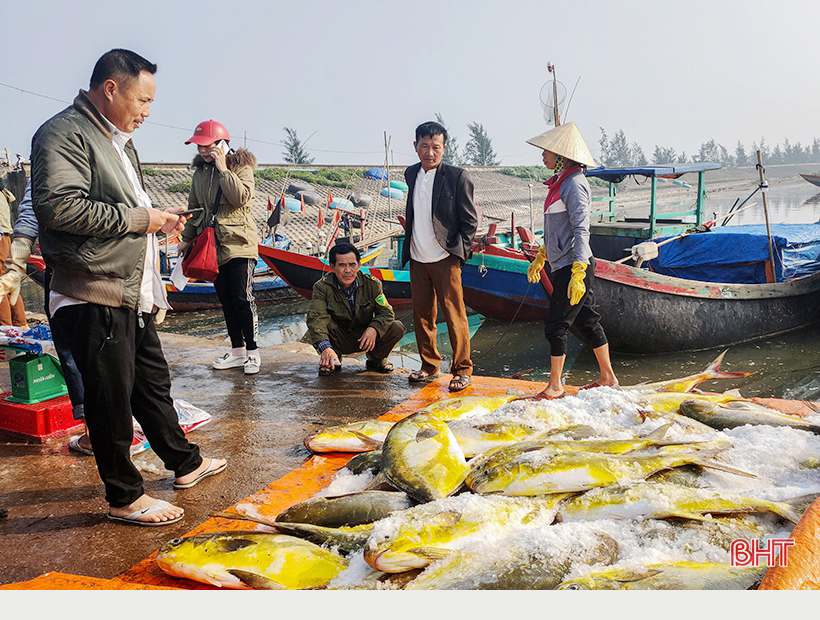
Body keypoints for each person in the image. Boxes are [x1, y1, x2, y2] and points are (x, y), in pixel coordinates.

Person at [30, 48, 226, 526]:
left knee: (152, 384)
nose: (147, 112)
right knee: (110, 397)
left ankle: (185, 462)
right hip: (93, 289)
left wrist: (159, 223)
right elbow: (59, 209)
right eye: (143, 99)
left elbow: (123, 209)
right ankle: (124, 495)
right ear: (111, 88)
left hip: (132, 288)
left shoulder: (120, 141)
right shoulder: (63, 134)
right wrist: (143, 219)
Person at [525, 121, 619, 398]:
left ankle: (555, 387)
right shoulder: (560, 183)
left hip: (574, 266)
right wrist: (542, 255)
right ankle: (608, 377)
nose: (543, 155)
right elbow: (559, 228)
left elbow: (581, 229)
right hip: (563, 263)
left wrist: (578, 270)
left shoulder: (574, 185)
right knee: (587, 320)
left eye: (547, 151)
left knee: (556, 324)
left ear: (562, 157)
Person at [0, 182, 91, 453]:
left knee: (74, 351)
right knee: (82, 350)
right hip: (88, 265)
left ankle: (95, 433)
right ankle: (99, 431)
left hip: (68, 265)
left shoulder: (47, 156)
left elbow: (28, 214)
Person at [177, 120, 260, 375]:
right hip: (212, 245)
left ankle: (253, 353)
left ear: (221, 144)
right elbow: (194, 207)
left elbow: (241, 198)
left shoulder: (242, 167)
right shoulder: (200, 173)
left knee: (242, 297)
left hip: (239, 242)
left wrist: (224, 168)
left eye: (207, 146)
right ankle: (237, 351)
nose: (202, 151)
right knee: (225, 299)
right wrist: (186, 238)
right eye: (198, 146)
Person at [401, 121, 478, 392]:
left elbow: (470, 221)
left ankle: (462, 368)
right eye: (424, 146)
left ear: (444, 148)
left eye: (435, 147)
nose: (429, 153)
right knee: (422, 315)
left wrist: (459, 254)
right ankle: (429, 364)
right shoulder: (411, 174)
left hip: (445, 258)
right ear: (415, 147)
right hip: (417, 257)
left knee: (455, 314)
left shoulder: (457, 176)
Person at [307, 242, 405, 375]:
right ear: (332, 267)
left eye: (352, 265)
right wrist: (325, 348)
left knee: (396, 327)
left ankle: (376, 359)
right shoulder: (321, 287)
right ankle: (332, 358)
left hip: (365, 338)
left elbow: (386, 313)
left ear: (359, 265)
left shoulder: (373, 284)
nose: (348, 270)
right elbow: (316, 317)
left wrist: (374, 329)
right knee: (323, 321)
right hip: (339, 338)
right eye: (342, 265)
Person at [0, 185, 26, 326]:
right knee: (8, 281)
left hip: (1, 237)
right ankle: (20, 324)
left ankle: (5, 327)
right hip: (5, 237)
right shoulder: (3, 191)